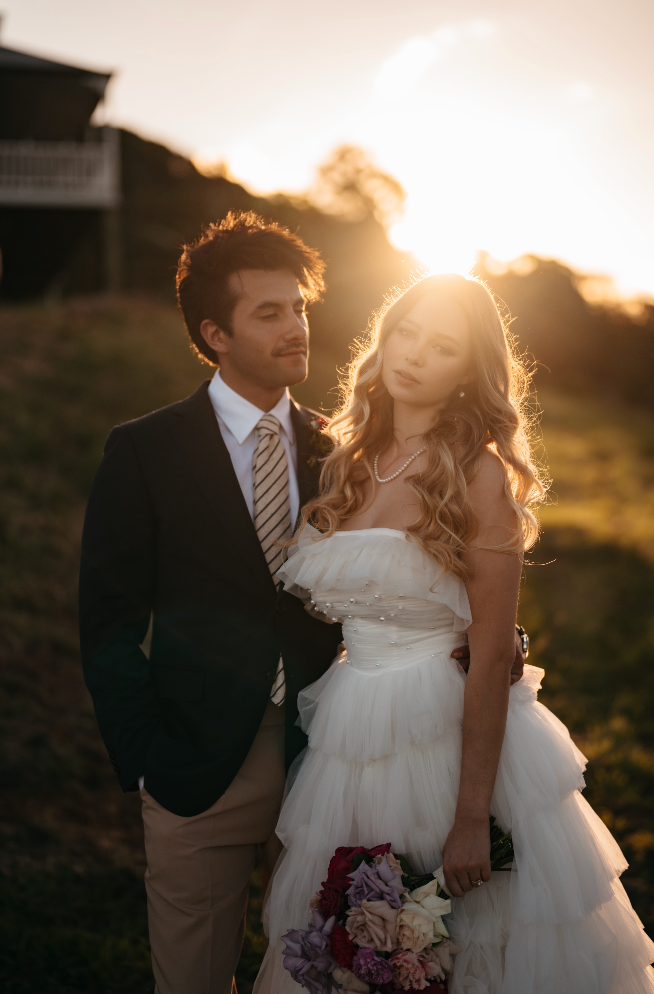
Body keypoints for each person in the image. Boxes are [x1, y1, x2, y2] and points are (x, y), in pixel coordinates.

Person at [78, 214, 517, 994]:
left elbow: (439, 575)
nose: (296, 329)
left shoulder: (345, 450)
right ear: (216, 333)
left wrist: (486, 639)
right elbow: (106, 621)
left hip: (338, 759)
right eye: (269, 313)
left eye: (300, 308)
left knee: (329, 975)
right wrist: (146, 751)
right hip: (195, 763)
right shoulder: (145, 450)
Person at [254, 273, 654, 994]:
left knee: (468, 942)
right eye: (407, 332)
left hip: (446, 730)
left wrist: (472, 818)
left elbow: (494, 648)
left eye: (442, 347)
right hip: (350, 731)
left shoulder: (479, 473)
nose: (414, 355)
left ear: (468, 371)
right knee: (352, 944)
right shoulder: (345, 457)